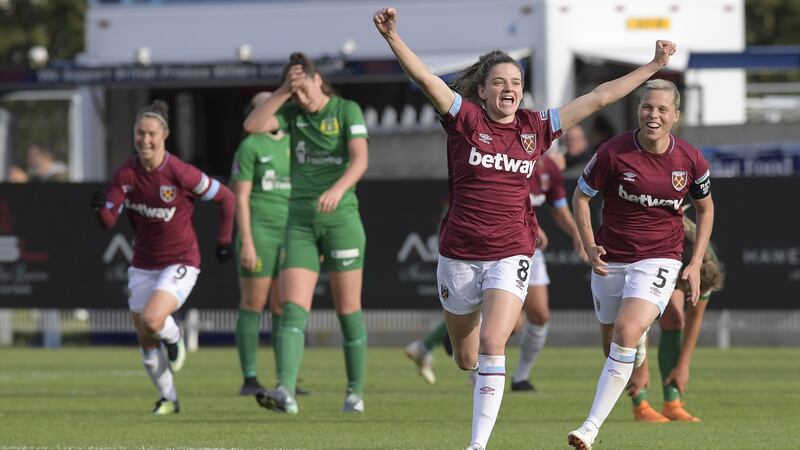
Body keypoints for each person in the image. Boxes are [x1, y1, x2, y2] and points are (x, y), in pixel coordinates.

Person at [374, 6, 676, 449]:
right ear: (482, 89)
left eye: (516, 82)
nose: (509, 89)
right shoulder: (465, 119)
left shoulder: (536, 128)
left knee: (495, 342)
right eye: (499, 82)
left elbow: (598, 99)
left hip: (512, 250)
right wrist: (393, 38)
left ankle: (477, 446)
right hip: (458, 253)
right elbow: (425, 79)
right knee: (467, 357)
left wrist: (653, 66)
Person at [568, 78, 713, 449]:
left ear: (675, 116)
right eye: (648, 107)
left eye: (663, 109)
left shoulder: (690, 159)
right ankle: (638, 346)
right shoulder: (613, 152)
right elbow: (581, 198)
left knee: (626, 333)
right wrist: (588, 243)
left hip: (660, 259)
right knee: (613, 347)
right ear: (639, 111)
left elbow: (706, 208)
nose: (654, 114)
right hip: (611, 259)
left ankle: (589, 428)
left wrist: (694, 263)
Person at [243, 52, 369, 414]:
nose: (302, 98)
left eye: (304, 88)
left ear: (319, 80)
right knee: (292, 309)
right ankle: (285, 391)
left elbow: (360, 159)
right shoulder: (291, 111)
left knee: (348, 309)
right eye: (295, 92)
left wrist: (337, 190)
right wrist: (284, 90)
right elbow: (253, 125)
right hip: (299, 223)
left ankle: (354, 392)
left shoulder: (347, 110)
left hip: (342, 221)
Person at [91, 100, 235, 415]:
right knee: (145, 340)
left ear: (165, 135)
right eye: (140, 134)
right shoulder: (125, 174)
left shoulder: (179, 172)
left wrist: (224, 240)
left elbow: (226, 197)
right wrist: (101, 207)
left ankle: (176, 336)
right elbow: (108, 221)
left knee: (154, 320)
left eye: (151, 134)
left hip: (181, 260)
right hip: (143, 263)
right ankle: (169, 397)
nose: (145, 140)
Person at [626, 212, 725, 423]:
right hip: (637, 253)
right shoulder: (659, 254)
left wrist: (683, 365)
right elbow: (639, 325)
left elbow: (694, 318)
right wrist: (640, 369)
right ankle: (640, 406)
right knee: (635, 323)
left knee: (674, 320)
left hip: (675, 255)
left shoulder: (704, 264)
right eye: (685, 290)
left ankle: (672, 404)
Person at [230, 92, 293, 395]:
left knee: (283, 306)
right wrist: (247, 243)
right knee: (253, 304)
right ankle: (250, 378)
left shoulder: (294, 143)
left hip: (289, 235)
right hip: (259, 232)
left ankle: (285, 379)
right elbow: (240, 196)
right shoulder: (250, 146)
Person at [511, 153, 588, 392]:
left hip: (529, 248)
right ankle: (478, 373)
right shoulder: (509, 160)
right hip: (501, 246)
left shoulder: (550, 169)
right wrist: (532, 226)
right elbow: (501, 201)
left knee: (540, 315)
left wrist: (578, 234)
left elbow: (559, 209)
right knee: (511, 325)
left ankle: (521, 377)